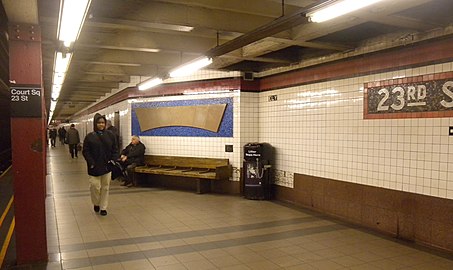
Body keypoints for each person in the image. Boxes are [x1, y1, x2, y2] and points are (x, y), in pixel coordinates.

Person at [82, 113, 119, 216]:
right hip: (94, 167)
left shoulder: (110, 135)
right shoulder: (90, 137)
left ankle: (103, 207)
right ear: (95, 124)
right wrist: (91, 162)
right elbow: (86, 151)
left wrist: (113, 160)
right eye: (99, 123)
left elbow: (115, 149)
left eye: (103, 122)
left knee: (105, 187)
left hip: (107, 166)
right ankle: (96, 203)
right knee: (94, 186)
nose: (101, 125)